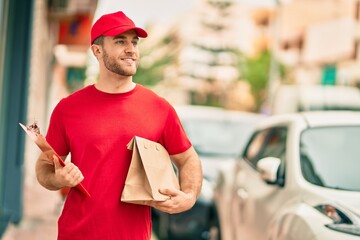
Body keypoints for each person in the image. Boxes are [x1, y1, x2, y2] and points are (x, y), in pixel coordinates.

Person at [35, 11, 203, 240]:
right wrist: (58, 179)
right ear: (97, 50)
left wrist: (189, 196)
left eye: (134, 42)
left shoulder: (159, 108)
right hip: (77, 234)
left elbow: (188, 159)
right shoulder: (68, 109)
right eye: (120, 41)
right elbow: (44, 167)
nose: (131, 49)